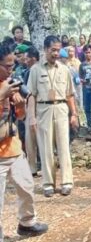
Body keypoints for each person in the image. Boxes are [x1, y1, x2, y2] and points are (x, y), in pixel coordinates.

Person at [0, 44, 48, 242]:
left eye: (12, 65)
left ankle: (27, 223)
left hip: (13, 147)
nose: (11, 70)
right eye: (7, 66)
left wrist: (19, 106)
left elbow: (18, 114)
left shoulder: (12, 84)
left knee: (27, 186)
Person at [27, 35, 78, 197]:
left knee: (63, 146)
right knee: (45, 146)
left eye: (58, 50)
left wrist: (74, 114)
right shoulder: (35, 70)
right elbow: (31, 95)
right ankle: (48, 183)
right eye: (53, 50)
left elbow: (70, 94)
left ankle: (66, 182)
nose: (56, 53)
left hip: (62, 109)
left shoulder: (64, 70)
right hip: (44, 110)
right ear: (45, 50)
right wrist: (32, 117)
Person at [23, 47, 40, 176]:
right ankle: (32, 167)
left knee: (38, 139)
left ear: (33, 58)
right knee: (30, 140)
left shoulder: (38, 71)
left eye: (27, 57)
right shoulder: (27, 72)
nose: (25, 60)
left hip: (38, 108)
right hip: (29, 108)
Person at [79, 45, 91, 132]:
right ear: (84, 53)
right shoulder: (82, 64)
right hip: (85, 88)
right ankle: (89, 126)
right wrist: (82, 80)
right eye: (86, 53)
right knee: (87, 108)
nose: (88, 54)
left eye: (89, 52)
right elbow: (80, 77)